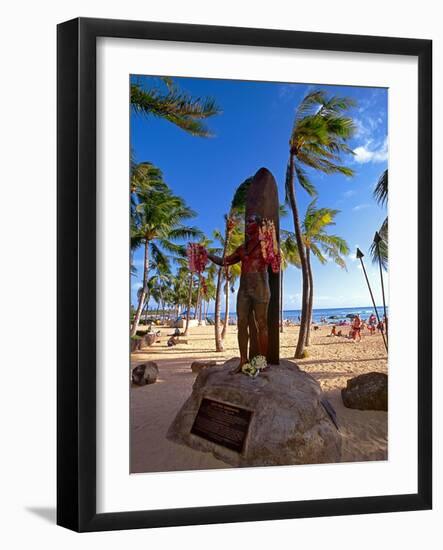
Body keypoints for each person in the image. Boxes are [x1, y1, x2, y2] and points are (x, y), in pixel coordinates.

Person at [206, 215, 270, 373]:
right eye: (246, 222)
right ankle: (243, 360)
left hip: (260, 288)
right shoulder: (242, 249)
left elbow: (274, 260)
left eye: (250, 222)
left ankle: (262, 362)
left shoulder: (266, 245)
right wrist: (207, 254)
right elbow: (224, 261)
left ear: (258, 225)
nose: (247, 224)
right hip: (244, 289)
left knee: (261, 324)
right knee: (242, 324)